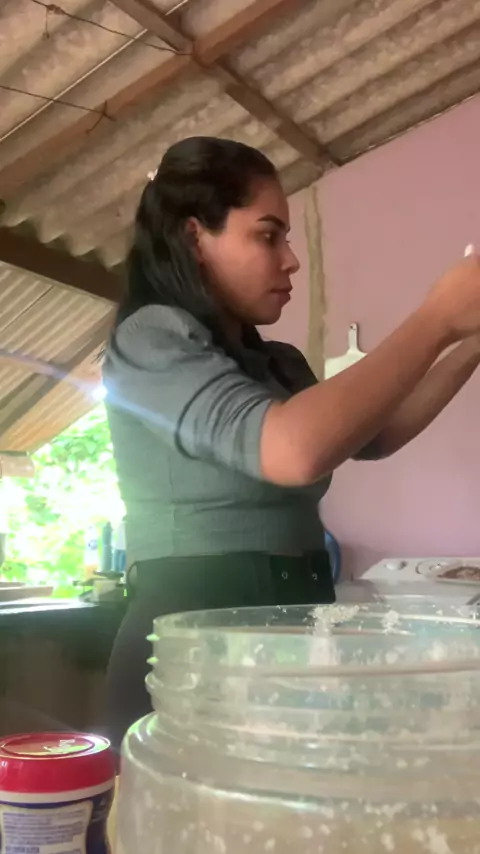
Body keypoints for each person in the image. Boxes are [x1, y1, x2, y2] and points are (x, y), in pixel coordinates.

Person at [103, 136, 480, 750]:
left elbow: (377, 432)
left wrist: (470, 340)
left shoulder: (275, 361)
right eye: (267, 236)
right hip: (191, 654)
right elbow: (293, 451)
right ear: (195, 237)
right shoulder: (152, 338)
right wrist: (436, 318)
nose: (291, 260)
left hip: (288, 632)